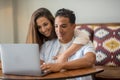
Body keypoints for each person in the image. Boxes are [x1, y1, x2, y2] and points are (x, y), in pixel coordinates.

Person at [40, 8, 96, 80]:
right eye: (56, 26)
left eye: (63, 26)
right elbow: (38, 67)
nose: (59, 31)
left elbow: (90, 60)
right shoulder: (46, 46)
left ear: (73, 27)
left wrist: (61, 66)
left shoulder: (84, 42)